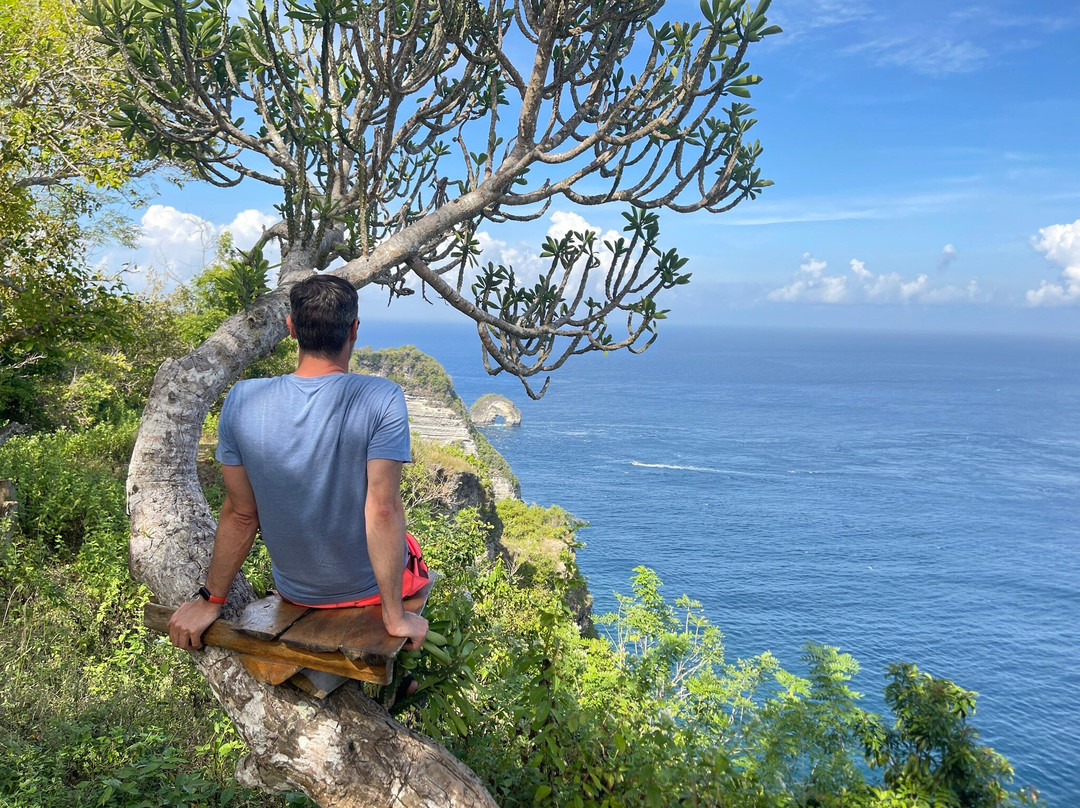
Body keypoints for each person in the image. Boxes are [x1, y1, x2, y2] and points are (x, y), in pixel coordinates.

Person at [167, 274, 429, 653]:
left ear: (291, 329)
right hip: (368, 592)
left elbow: (242, 514)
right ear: (353, 330)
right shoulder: (381, 396)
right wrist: (394, 616)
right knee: (409, 546)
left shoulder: (242, 400)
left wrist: (211, 600)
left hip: (298, 591)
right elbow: (382, 511)